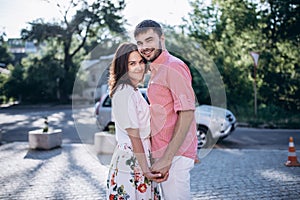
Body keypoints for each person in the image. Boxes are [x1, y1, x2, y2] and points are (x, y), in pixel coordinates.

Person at [134, 20, 198, 199]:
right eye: (140, 43)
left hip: (173, 157)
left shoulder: (173, 66)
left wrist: (167, 158)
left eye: (149, 40)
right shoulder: (155, 70)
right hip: (163, 155)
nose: (144, 47)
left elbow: (186, 113)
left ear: (162, 39)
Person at [106, 42, 164, 200]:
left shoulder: (132, 90)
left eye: (141, 62)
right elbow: (134, 135)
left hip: (139, 158)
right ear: (123, 67)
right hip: (132, 160)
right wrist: (145, 170)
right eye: (132, 63)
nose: (138, 67)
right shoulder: (125, 92)